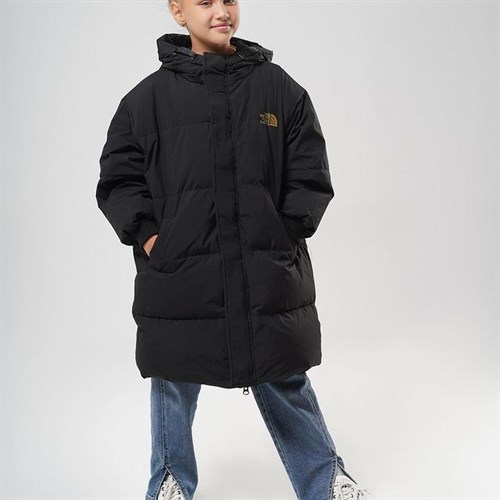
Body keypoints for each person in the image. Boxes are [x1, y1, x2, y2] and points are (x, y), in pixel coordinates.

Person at [96, 1, 371, 499]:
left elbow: (310, 170)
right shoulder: (145, 101)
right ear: (177, 11)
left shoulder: (279, 89)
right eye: (205, 2)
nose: (221, 11)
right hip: (181, 273)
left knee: (283, 373)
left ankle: (326, 482)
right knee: (173, 378)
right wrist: (153, 238)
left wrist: (287, 231)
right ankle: (170, 483)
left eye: (229, 0)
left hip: (265, 267)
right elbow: (120, 180)